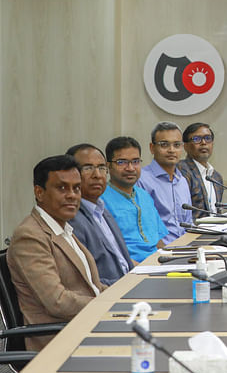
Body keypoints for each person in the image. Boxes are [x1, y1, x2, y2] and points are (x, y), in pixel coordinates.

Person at [7, 155, 105, 350]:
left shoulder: (62, 228)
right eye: (62, 188)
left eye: (76, 188)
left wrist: (122, 299)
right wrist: (107, 306)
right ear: (39, 192)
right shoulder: (30, 236)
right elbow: (57, 301)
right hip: (59, 341)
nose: (72, 195)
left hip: (87, 326)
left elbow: (92, 287)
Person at [66, 143, 133, 286]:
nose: (97, 175)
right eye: (88, 168)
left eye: (102, 168)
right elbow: (85, 282)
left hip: (130, 285)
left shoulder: (102, 211)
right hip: (109, 297)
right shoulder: (72, 219)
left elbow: (124, 265)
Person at [101, 136, 169, 263]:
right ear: (108, 166)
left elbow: (158, 241)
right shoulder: (101, 201)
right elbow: (110, 253)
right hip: (130, 268)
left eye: (135, 161)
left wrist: (173, 261)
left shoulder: (144, 195)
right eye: (122, 162)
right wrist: (140, 270)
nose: (130, 168)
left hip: (157, 263)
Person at [137, 122, 192, 243]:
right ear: (152, 148)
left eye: (177, 145)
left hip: (186, 249)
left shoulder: (182, 181)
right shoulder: (141, 179)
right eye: (164, 145)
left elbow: (188, 224)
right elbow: (144, 226)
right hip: (159, 253)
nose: (171, 150)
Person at [177, 122, 224, 218]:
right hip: (193, 231)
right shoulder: (181, 170)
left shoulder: (216, 177)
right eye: (197, 139)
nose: (203, 143)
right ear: (185, 146)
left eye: (207, 138)